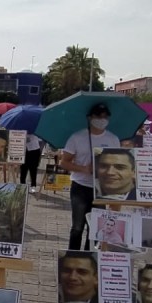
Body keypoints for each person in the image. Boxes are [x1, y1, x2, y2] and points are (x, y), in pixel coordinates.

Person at [60, 103, 121, 250]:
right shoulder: (77, 137)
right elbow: (64, 162)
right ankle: (73, 255)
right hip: (80, 187)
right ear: (90, 118)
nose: (102, 119)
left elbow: (117, 163)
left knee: (94, 229)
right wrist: (84, 168)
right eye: (98, 116)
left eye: (105, 116)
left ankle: (89, 256)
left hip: (101, 189)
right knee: (77, 227)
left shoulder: (113, 139)